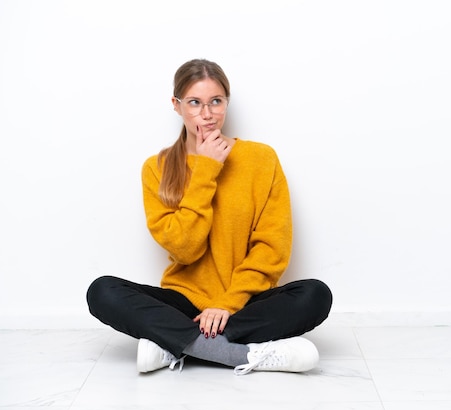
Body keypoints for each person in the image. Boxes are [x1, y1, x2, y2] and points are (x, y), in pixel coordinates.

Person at [86, 59, 333, 375]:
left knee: (315, 295)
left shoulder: (261, 159)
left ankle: (170, 343)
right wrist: (206, 170)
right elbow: (184, 249)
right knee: (102, 291)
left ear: (226, 102)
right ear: (176, 106)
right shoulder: (156, 168)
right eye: (194, 103)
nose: (207, 113)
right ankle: (239, 354)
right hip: (184, 301)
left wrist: (227, 304)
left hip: (244, 302)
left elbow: (273, 247)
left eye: (216, 101)